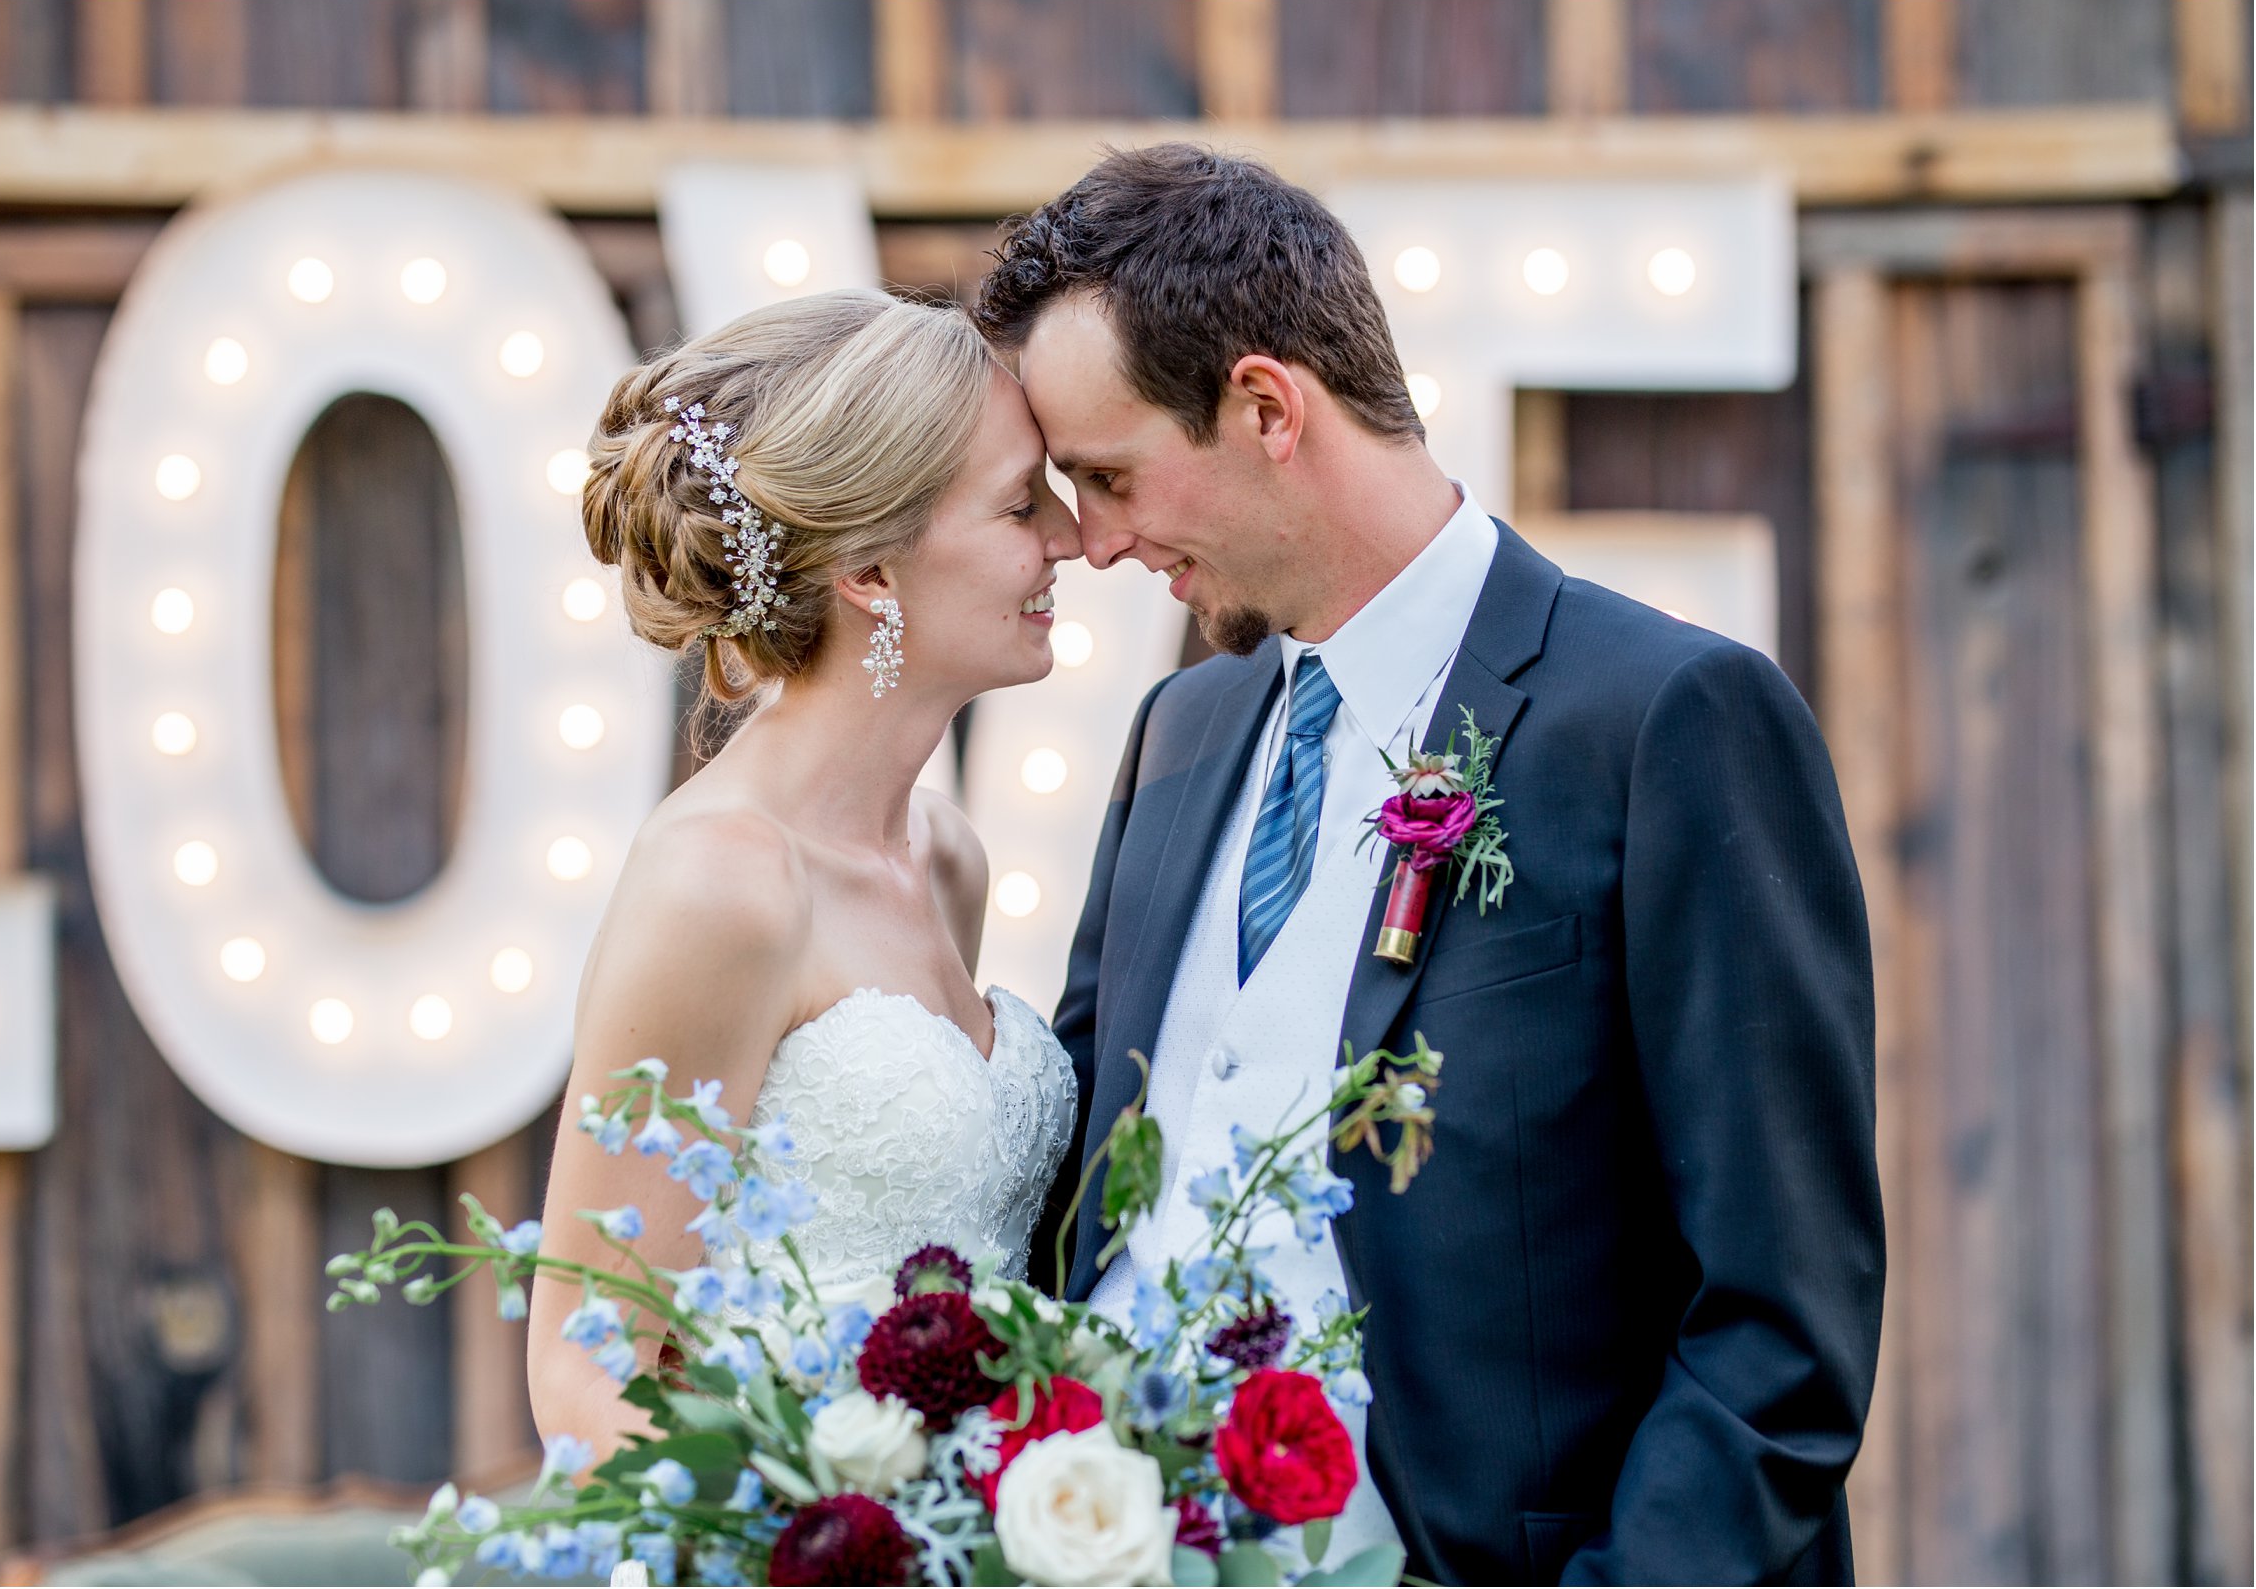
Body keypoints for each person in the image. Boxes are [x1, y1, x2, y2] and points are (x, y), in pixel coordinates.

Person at [978, 144, 1885, 1584]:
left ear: (1264, 406)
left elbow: (1777, 1324)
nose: (1088, 543)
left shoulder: (1666, 720)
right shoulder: (1179, 730)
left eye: (1108, 477)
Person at [527, 289, 1082, 1458]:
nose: (1070, 537)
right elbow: (589, 1363)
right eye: (1019, 503)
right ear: (873, 570)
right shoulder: (719, 883)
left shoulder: (947, 860)